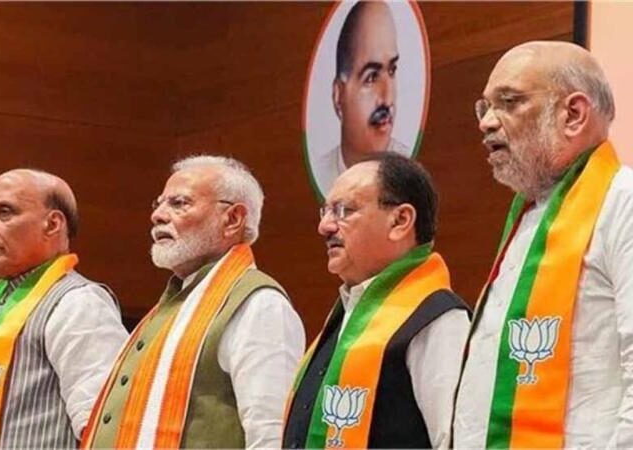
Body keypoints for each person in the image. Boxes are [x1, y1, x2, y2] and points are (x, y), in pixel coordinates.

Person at [454, 41, 633, 448]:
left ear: (573, 115)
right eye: (484, 107)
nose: (487, 123)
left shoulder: (623, 202)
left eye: (509, 102)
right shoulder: (527, 219)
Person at [81, 155, 305, 449]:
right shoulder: (177, 300)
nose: (158, 215)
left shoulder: (260, 304)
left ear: (233, 219)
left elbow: (271, 434)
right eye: (158, 203)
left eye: (179, 203)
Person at [0, 169, 129, 449]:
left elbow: (106, 428)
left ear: (52, 224)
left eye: (4, 212)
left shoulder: (78, 302)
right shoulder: (0, 301)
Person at [283, 153, 469, 449]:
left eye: (343, 210)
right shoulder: (346, 313)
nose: (325, 226)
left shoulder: (438, 320)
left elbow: (458, 441)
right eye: (325, 212)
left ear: (400, 221)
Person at [313, 1, 409, 195]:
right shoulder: (323, 172)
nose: (387, 99)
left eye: (392, 71)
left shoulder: (409, 170)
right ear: (338, 95)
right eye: (371, 78)